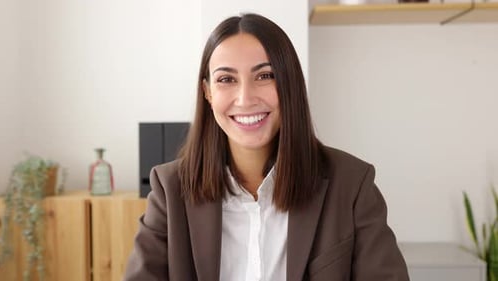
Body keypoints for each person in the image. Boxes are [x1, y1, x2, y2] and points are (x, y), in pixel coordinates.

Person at [124, 13, 409, 281]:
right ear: (208, 92)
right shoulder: (170, 189)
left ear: (289, 84)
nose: (245, 98)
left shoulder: (351, 184)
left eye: (265, 76)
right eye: (226, 79)